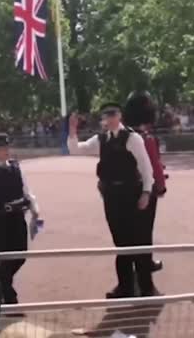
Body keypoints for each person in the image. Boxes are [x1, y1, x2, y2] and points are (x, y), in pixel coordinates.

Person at [68, 103, 159, 298]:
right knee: (121, 243)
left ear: (119, 116)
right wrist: (72, 131)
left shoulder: (132, 138)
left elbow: (146, 167)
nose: (109, 119)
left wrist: (145, 193)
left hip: (132, 194)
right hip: (112, 196)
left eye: (113, 114)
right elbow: (76, 149)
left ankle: (146, 287)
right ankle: (125, 287)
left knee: (139, 242)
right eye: (106, 115)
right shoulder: (101, 139)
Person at [0, 132, 40, 305]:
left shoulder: (16, 167)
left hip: (18, 217)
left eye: (7, 147)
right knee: (4, 256)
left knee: (21, 255)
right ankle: (10, 297)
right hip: (0, 220)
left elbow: (27, 190)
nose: (6, 151)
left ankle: (0, 283)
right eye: (2, 148)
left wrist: (35, 210)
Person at [123, 91, 167, 273]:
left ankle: (131, 267)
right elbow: (154, 165)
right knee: (144, 231)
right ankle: (145, 265)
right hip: (145, 189)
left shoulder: (121, 134)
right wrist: (161, 186)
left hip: (123, 189)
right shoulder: (145, 137)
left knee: (128, 231)